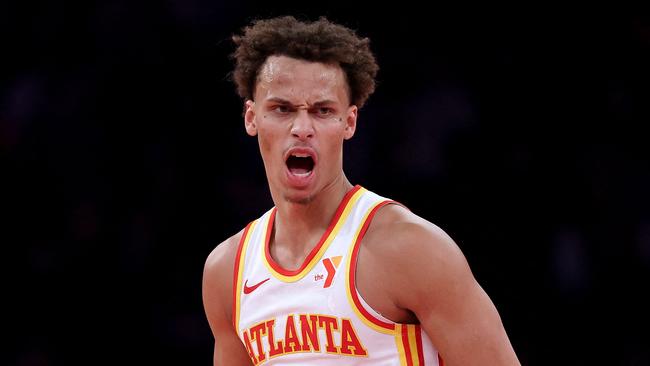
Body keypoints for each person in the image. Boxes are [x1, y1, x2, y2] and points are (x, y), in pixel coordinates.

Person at [202, 15, 520, 365]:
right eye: (282, 109)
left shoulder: (410, 248)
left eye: (323, 111)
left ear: (348, 122)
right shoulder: (227, 271)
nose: (302, 128)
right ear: (252, 118)